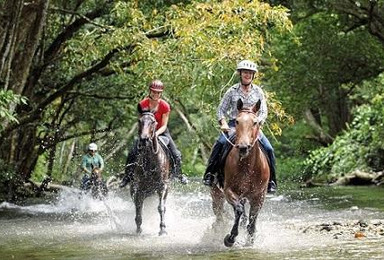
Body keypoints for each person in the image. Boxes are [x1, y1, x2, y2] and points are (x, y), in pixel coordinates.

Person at [202, 59, 277, 193]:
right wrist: (224, 123)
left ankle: (272, 181)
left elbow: (264, 111)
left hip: (253, 126)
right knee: (220, 143)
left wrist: (257, 121)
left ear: (253, 75)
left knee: (269, 148)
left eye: (250, 73)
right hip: (234, 124)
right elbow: (221, 110)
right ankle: (210, 174)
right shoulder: (232, 91)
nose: (247, 75)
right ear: (240, 74)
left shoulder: (258, 92)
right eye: (245, 73)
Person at [119, 79, 188, 187]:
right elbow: (141, 121)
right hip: (145, 132)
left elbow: (164, 125)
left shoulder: (165, 106)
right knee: (132, 152)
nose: (156, 94)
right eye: (154, 91)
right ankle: (127, 176)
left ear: (161, 93)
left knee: (176, 154)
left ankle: (179, 174)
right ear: (150, 91)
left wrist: (155, 134)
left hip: (161, 132)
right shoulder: (142, 104)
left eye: (158, 92)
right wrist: (144, 133)